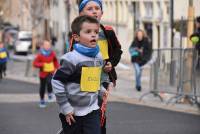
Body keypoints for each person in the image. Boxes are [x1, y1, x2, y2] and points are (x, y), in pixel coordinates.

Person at [69, 1, 123, 133]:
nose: (94, 11)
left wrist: (111, 62)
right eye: (89, 9)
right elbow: (72, 56)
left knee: (99, 111)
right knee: (84, 112)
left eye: (97, 8)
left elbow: (118, 50)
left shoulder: (108, 31)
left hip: (103, 79)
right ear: (81, 14)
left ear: (102, 13)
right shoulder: (78, 34)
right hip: (84, 80)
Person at [52, 15, 108, 134]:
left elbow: (94, 78)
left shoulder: (99, 56)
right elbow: (57, 81)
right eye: (88, 32)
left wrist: (101, 89)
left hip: (92, 109)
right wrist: (66, 107)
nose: (93, 35)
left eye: (96, 32)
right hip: (72, 111)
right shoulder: (71, 58)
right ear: (76, 37)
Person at [33, 40, 59, 108]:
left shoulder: (52, 53)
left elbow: (55, 61)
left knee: (50, 82)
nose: (47, 46)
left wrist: (56, 68)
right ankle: (42, 100)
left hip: (50, 72)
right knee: (42, 87)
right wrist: (42, 64)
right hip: (42, 74)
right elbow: (35, 64)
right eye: (46, 45)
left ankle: (50, 93)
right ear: (43, 46)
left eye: (48, 45)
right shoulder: (40, 55)